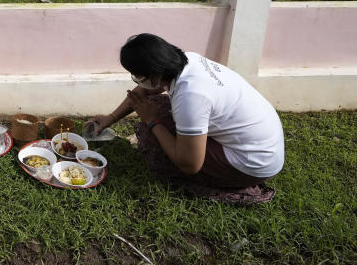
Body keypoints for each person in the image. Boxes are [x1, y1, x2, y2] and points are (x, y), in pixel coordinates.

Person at [86, 33, 284, 192]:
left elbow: (190, 164)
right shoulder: (187, 61)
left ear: (155, 76)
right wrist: (110, 119)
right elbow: (144, 92)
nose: (136, 81)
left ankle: (231, 180)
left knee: (158, 143)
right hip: (262, 145)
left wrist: (151, 121)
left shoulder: (191, 96)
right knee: (158, 106)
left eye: (137, 76)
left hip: (253, 164)